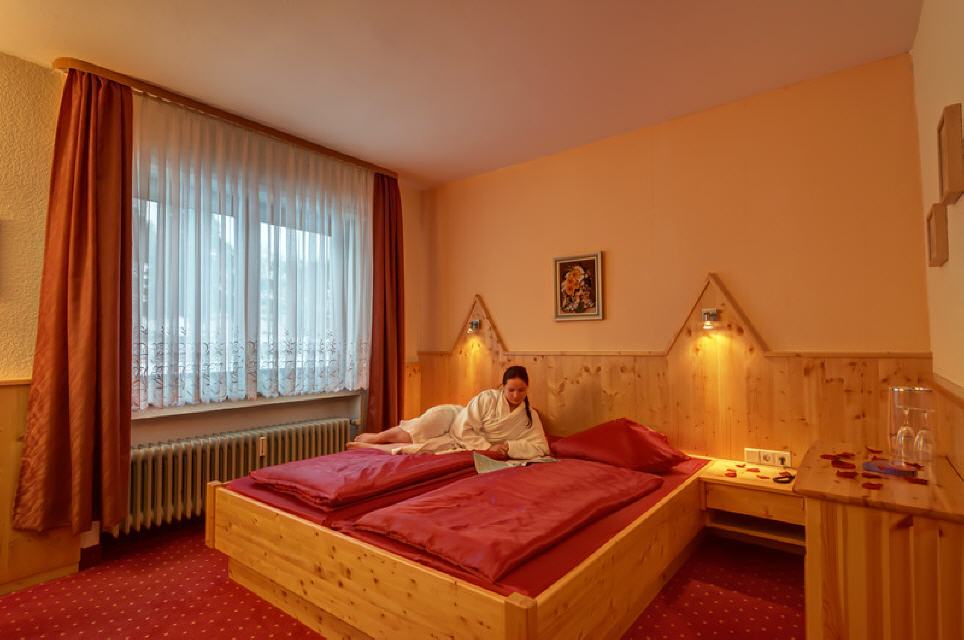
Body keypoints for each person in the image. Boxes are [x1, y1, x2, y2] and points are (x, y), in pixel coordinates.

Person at [350, 366, 550, 459]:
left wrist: (510, 446)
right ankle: (377, 438)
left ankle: (369, 448)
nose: (515, 395)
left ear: (527, 388)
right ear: (502, 387)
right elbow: (464, 427)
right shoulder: (488, 398)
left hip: (464, 442)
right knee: (416, 431)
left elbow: (541, 447)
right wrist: (489, 447)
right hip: (455, 419)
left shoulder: (529, 417)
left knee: (420, 449)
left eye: (521, 390)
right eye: (511, 390)